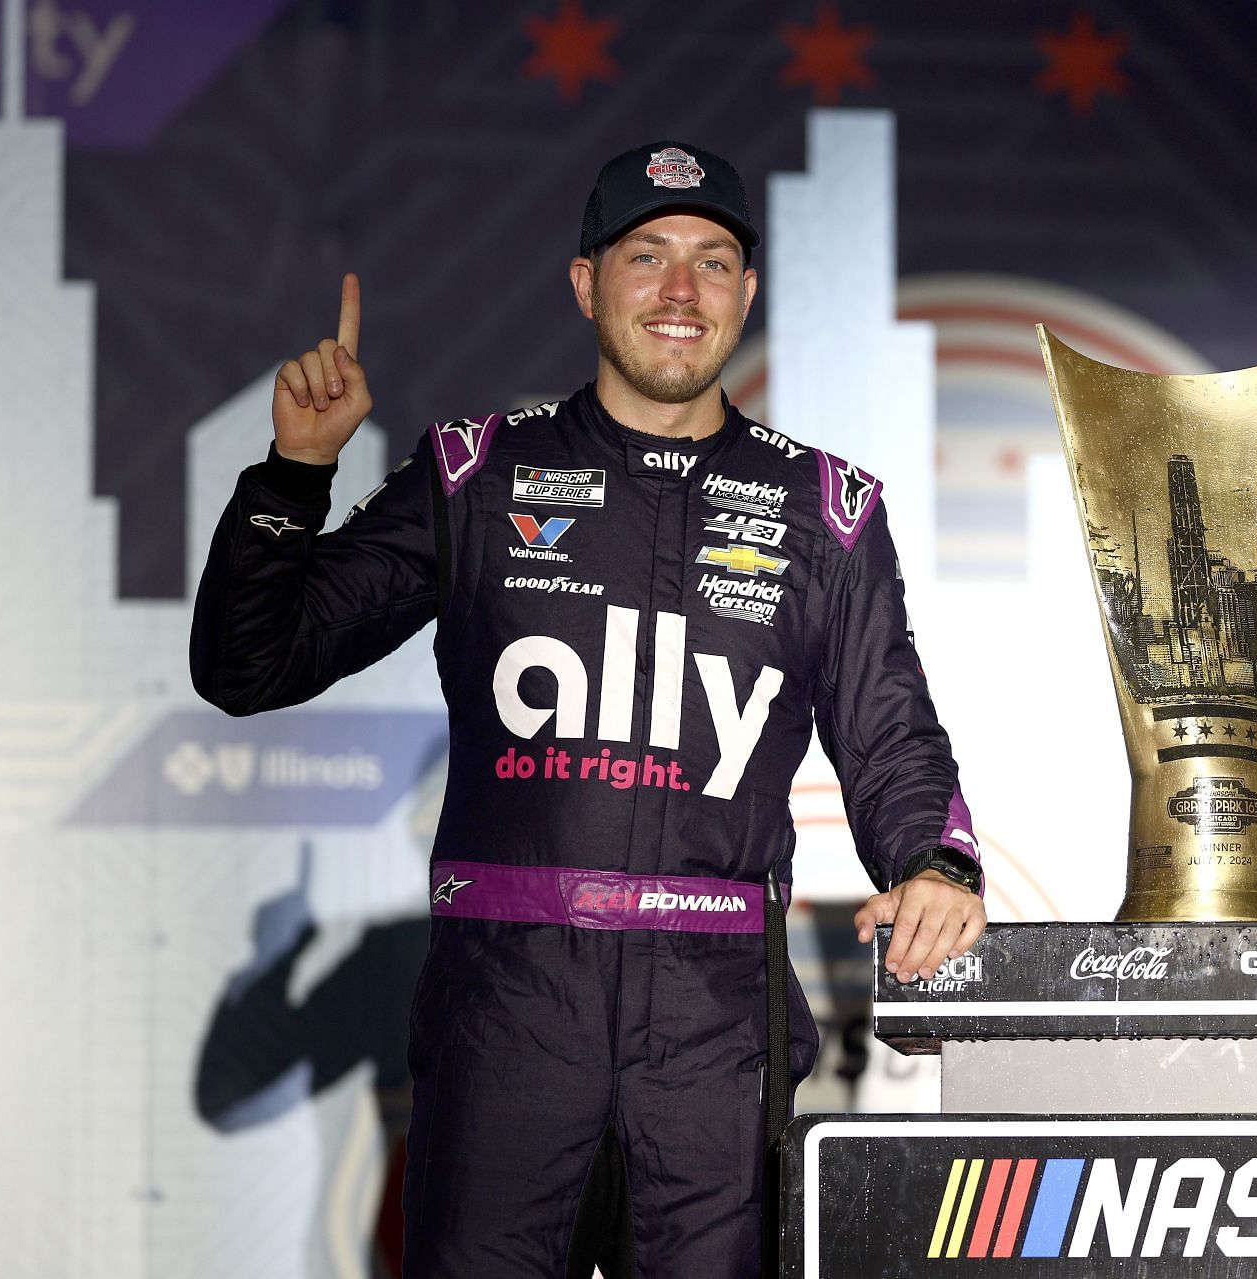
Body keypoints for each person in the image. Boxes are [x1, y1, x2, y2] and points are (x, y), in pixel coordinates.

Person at [191, 140, 985, 1278]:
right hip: (508, 1020)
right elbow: (247, 662)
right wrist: (292, 473)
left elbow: (891, 727)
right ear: (584, 284)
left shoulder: (826, 511)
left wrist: (938, 864)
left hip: (715, 1033)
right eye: (647, 255)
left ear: (747, 295)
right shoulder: (477, 475)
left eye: (713, 263)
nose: (679, 290)